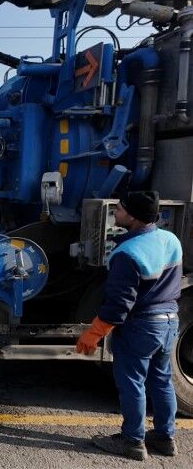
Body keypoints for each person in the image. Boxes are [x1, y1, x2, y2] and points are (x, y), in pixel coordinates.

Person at [76, 191, 182, 460]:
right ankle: (165, 438)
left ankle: (133, 441)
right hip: (169, 321)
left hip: (141, 326)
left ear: (133, 217)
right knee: (162, 381)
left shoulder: (127, 253)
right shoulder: (171, 240)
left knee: (133, 382)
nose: (115, 213)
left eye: (120, 209)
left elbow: (118, 305)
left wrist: (94, 334)